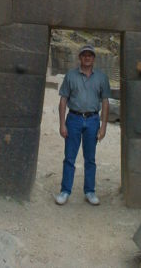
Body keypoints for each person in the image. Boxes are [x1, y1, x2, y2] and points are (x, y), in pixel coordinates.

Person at [55, 44, 111, 206]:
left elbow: (106, 102)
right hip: (74, 119)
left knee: (90, 158)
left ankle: (90, 191)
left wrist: (104, 126)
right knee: (69, 158)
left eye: (90, 55)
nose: (87, 57)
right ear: (79, 58)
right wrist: (61, 124)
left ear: (94, 58)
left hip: (93, 120)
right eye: (84, 55)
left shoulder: (101, 78)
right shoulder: (71, 76)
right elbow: (63, 99)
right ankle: (65, 191)